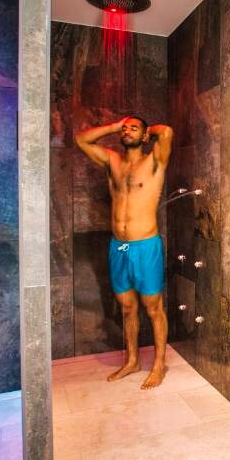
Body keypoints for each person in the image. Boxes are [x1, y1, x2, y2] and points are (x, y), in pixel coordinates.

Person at [75, 116, 174, 389]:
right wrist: (115, 126)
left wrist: (147, 130)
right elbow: (81, 139)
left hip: (145, 246)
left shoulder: (154, 161)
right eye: (125, 128)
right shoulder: (112, 162)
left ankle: (158, 365)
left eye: (134, 128)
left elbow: (166, 132)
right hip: (118, 247)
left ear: (145, 136)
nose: (127, 131)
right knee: (128, 308)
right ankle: (132, 361)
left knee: (153, 308)